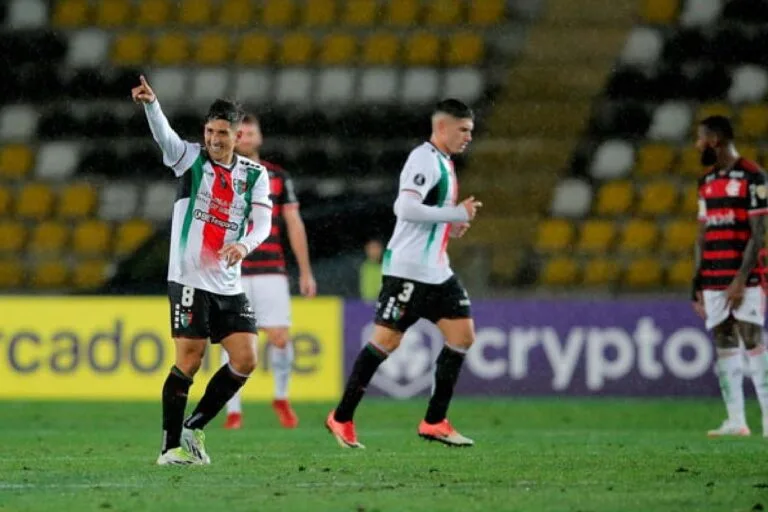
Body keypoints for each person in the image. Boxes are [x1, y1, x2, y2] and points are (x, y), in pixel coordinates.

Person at [131, 76, 273, 465]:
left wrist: (243, 244)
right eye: (209, 131)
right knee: (189, 361)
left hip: (228, 283)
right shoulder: (190, 159)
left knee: (246, 359)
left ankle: (195, 426)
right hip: (189, 278)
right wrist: (151, 105)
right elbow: (165, 137)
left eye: (221, 133)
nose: (213, 139)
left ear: (237, 135)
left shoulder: (255, 176)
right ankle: (168, 448)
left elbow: (262, 223)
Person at [325, 99, 482, 448]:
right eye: (464, 130)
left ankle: (435, 421)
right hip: (408, 272)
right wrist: (455, 214)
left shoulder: (444, 162)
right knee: (386, 342)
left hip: (437, 271)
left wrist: (451, 226)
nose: (469, 137)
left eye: (471, 131)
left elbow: (430, 215)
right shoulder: (423, 158)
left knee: (462, 335)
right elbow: (405, 207)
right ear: (442, 127)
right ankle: (342, 416)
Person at [220, 113, 317, 430]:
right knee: (233, 341)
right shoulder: (220, 174)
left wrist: (305, 270)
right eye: (241, 133)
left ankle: (281, 397)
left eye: (251, 132)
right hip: (232, 269)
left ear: (259, 137)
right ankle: (233, 410)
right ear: (234, 138)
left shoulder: (277, 176)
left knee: (279, 337)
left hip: (271, 268)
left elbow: (294, 223)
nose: (246, 137)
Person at [691, 115, 768, 438]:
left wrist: (740, 278)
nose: (697, 145)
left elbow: (759, 232)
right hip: (713, 277)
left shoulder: (754, 176)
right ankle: (736, 420)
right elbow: (702, 235)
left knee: (752, 337)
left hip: (745, 277)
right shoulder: (706, 182)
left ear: (715, 140)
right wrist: (696, 283)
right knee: (723, 340)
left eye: (700, 139)